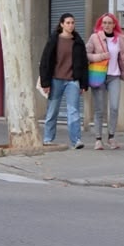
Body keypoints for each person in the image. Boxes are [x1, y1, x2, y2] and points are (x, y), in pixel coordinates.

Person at [38, 12, 89, 149]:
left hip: (73, 80)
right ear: (61, 24)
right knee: (52, 110)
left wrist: (84, 83)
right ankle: (48, 139)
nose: (71, 25)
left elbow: (84, 64)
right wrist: (45, 82)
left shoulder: (78, 42)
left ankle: (76, 140)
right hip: (55, 80)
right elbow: (45, 61)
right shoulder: (54, 40)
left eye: (73, 22)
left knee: (73, 111)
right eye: (68, 23)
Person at [86, 12, 124, 150]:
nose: (107, 25)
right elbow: (86, 54)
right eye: (104, 23)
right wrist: (100, 56)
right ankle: (98, 139)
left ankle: (111, 136)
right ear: (101, 24)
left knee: (114, 107)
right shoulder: (95, 37)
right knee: (99, 109)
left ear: (114, 24)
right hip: (99, 75)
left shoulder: (120, 39)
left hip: (114, 76)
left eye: (109, 23)